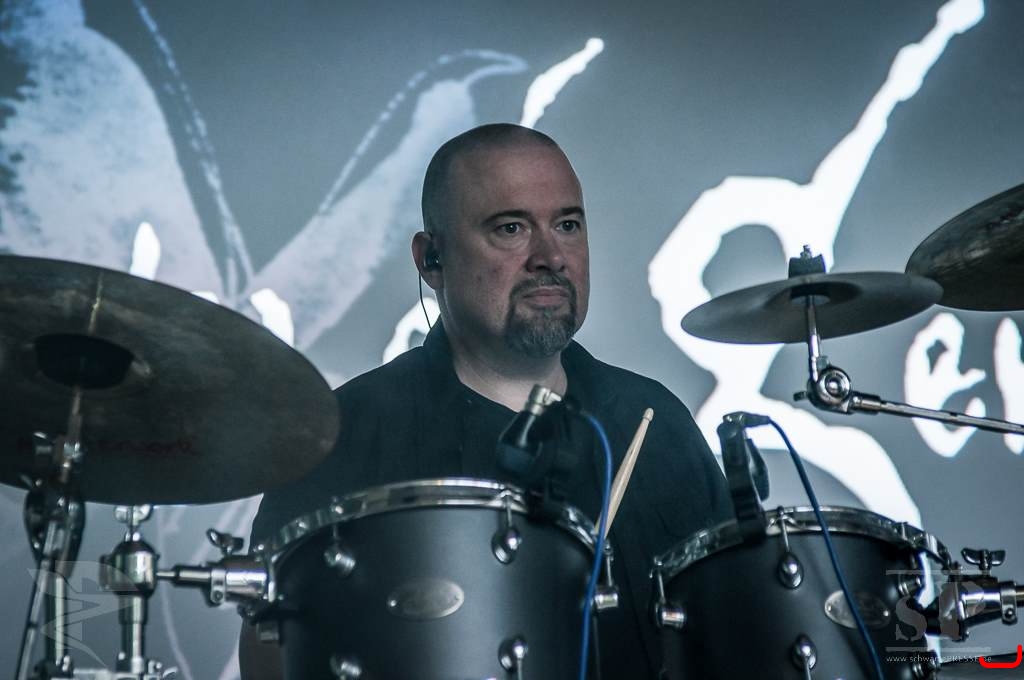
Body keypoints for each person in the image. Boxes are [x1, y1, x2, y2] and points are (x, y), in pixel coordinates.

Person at [240, 123, 731, 679]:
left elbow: (737, 624)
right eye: (511, 228)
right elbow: (270, 646)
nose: (551, 256)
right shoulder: (343, 434)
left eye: (567, 225)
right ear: (431, 259)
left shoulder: (655, 421)